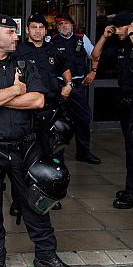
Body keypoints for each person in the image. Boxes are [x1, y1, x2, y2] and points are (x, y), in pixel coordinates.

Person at [0, 14, 77, 267]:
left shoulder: (25, 65)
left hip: (25, 148)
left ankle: (46, 255)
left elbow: (38, 100)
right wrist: (15, 90)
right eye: (11, 33)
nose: (17, 37)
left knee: (35, 204)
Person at [9, 13, 72, 216]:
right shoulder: (18, 52)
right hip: (27, 110)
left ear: (46, 30)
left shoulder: (53, 49)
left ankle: (51, 193)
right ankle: (19, 200)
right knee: (23, 156)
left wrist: (68, 84)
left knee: (52, 154)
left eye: (41, 27)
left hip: (51, 108)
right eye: (34, 27)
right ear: (26, 30)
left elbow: (65, 69)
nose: (37, 31)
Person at [91, 11, 133, 210]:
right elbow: (95, 56)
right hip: (127, 103)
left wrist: (132, 35)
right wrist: (104, 37)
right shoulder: (119, 42)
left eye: (119, 28)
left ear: (131, 25)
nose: (116, 32)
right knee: (132, 149)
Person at [49, 13, 101, 165]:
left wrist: (93, 71)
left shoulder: (81, 38)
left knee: (83, 119)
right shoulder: (51, 41)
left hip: (78, 86)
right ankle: (57, 156)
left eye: (66, 23)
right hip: (60, 87)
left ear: (72, 24)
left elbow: (95, 55)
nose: (63, 26)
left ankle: (84, 152)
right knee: (58, 122)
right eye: (60, 24)